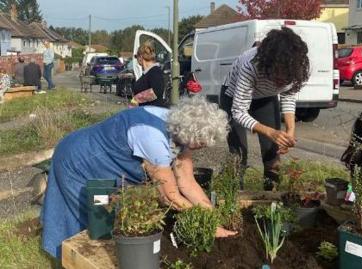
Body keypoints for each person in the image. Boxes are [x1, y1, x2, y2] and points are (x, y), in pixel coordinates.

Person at [41, 96, 237, 259]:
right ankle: (71, 259)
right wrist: (207, 226)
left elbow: (187, 182)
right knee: (86, 221)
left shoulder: (179, 128)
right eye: (201, 143)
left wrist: (212, 216)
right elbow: (169, 196)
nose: (202, 148)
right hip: (78, 160)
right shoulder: (152, 136)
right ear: (190, 134)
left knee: (103, 216)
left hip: (103, 167)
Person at [220, 27, 310, 190]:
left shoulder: (297, 67)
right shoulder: (251, 65)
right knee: (239, 152)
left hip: (265, 98)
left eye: (286, 77)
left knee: (272, 152)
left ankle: (271, 198)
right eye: (278, 75)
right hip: (233, 97)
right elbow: (239, 111)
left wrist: (290, 130)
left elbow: (288, 95)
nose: (281, 82)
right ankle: (233, 196)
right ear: (269, 64)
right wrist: (269, 131)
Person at [132, 41, 168, 107]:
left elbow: (156, 91)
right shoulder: (147, 73)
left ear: (141, 57)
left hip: (152, 112)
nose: (136, 60)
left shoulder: (155, 71)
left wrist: (137, 99)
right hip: (143, 111)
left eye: (136, 56)